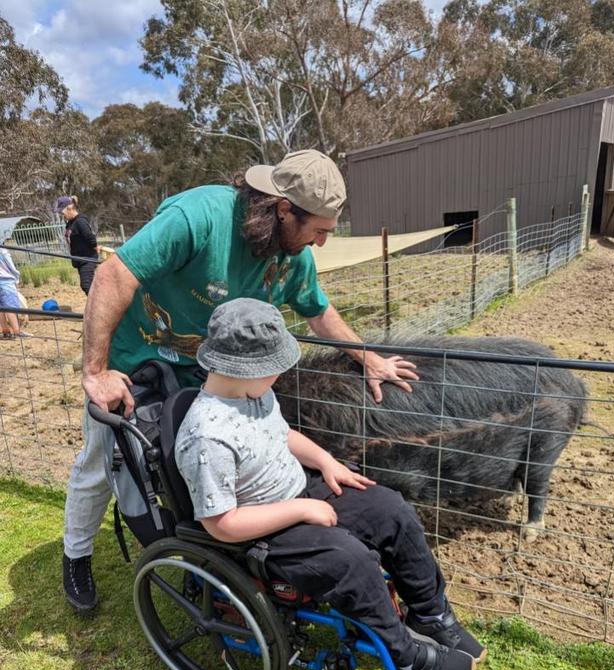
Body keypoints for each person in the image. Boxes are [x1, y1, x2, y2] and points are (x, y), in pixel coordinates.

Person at [63, 149, 419, 614]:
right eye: (319, 231)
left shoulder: (291, 257)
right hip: (135, 361)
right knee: (102, 462)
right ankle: (76, 555)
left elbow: (318, 311)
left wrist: (368, 358)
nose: (323, 243)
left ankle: (209, 556)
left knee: (218, 460)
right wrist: (96, 371)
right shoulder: (199, 216)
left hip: (215, 371)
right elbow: (113, 275)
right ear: (284, 209)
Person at [175, 298, 486, 670]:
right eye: (273, 369)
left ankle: (431, 613)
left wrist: (326, 462)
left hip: (301, 490)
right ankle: (404, 651)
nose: (279, 376)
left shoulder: (252, 394)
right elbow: (221, 524)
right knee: (352, 561)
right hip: (264, 530)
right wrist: (301, 509)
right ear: (245, 369)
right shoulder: (207, 438)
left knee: (392, 510)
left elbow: (282, 435)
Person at [56, 195, 99, 295]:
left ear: (70, 208)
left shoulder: (80, 222)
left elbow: (90, 238)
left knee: (87, 285)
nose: (62, 216)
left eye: (62, 213)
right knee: (88, 286)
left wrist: (95, 247)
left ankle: (101, 307)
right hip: (79, 260)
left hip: (87, 259)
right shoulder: (70, 223)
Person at [0, 246, 28, 339]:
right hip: (6, 281)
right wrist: (16, 278)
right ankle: (17, 332)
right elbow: (11, 267)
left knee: (1, 308)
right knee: (10, 307)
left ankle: (5, 331)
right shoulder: (3, 251)